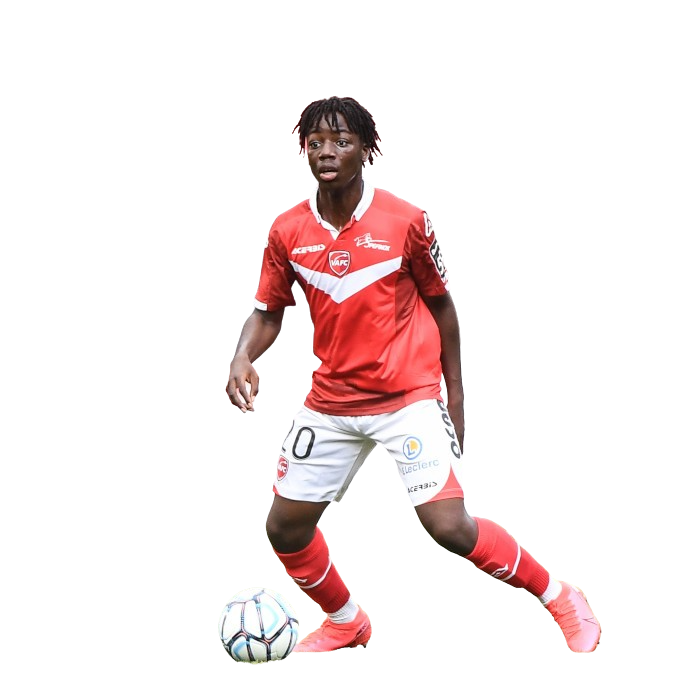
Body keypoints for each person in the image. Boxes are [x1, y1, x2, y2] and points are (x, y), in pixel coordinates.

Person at [226, 96, 601, 654]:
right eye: (316, 142)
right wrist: (242, 357)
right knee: (283, 528)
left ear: (366, 151)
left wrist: (455, 399)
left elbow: (445, 310)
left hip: (409, 397)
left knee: (450, 527)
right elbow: (267, 313)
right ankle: (347, 621)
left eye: (342, 141)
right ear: (303, 150)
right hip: (332, 401)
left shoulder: (406, 220)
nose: (327, 152)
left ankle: (560, 595)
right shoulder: (286, 229)